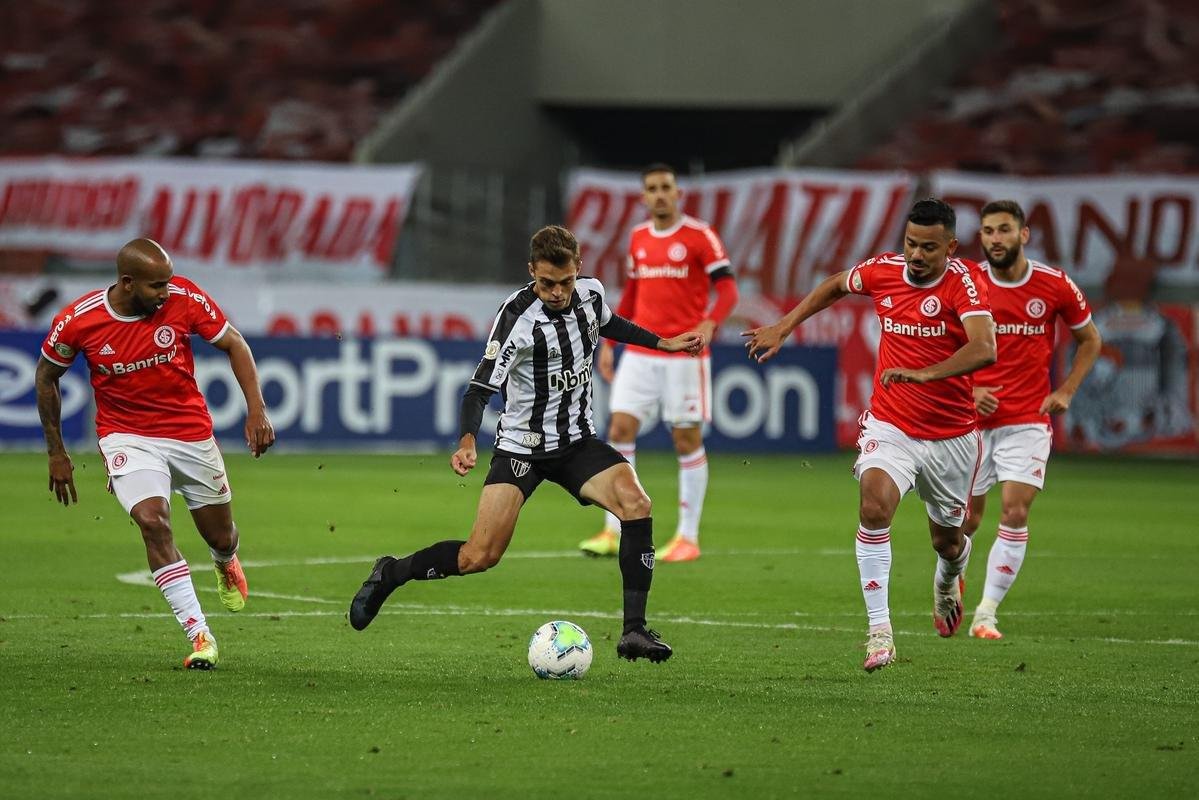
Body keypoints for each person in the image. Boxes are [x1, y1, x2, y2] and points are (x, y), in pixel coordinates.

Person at [349, 225, 704, 662]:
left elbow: (611, 323)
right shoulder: (516, 317)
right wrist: (466, 442)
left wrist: (662, 343)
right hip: (522, 448)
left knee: (638, 504)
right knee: (479, 555)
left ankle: (634, 631)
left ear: (579, 270)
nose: (557, 292)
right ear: (531, 272)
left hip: (576, 443)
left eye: (565, 281)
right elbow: (479, 388)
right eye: (546, 283)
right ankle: (391, 573)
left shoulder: (591, 295)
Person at [743, 199, 996, 672]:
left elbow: (985, 348)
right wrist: (784, 325)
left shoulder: (964, 282)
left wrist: (927, 374)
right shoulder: (883, 270)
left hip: (953, 435)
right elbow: (836, 285)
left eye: (928, 247)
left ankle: (947, 580)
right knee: (874, 507)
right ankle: (879, 632)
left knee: (948, 540)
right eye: (910, 244)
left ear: (951, 247)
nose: (916, 256)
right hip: (892, 424)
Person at [36, 238, 275, 670]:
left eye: (167, 282)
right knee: (152, 521)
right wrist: (57, 451)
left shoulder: (184, 298)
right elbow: (46, 376)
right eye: (156, 286)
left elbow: (234, 343)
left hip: (189, 433)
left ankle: (224, 560)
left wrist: (256, 410)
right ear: (127, 283)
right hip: (126, 436)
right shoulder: (78, 321)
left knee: (220, 535)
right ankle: (200, 636)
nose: (166, 292)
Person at [578, 163, 739, 563]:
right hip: (642, 351)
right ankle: (612, 528)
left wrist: (710, 322)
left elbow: (729, 290)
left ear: (678, 193)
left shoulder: (700, 236)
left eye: (667, 187)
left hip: (684, 353)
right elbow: (634, 293)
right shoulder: (638, 238)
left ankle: (688, 537)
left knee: (685, 439)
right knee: (619, 428)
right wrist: (612, 341)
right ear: (644, 197)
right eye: (653, 188)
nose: (661, 194)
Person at [964, 200, 1102, 639]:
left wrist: (1065, 391)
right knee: (964, 522)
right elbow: (939, 344)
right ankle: (949, 584)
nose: (995, 239)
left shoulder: (1054, 285)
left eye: (1004, 230)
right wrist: (970, 389)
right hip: (969, 421)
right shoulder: (968, 285)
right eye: (988, 231)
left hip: (1027, 419)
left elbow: (1090, 340)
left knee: (1015, 510)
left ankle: (986, 613)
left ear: (1023, 235)